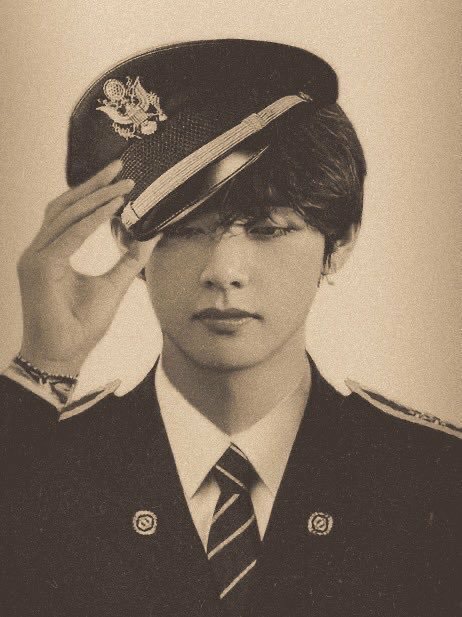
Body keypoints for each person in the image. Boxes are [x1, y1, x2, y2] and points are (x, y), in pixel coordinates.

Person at [0, 39, 460, 617]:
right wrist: (43, 368)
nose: (222, 272)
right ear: (126, 244)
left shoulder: (433, 477)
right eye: (184, 230)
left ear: (339, 242)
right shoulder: (38, 470)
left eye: (267, 229)